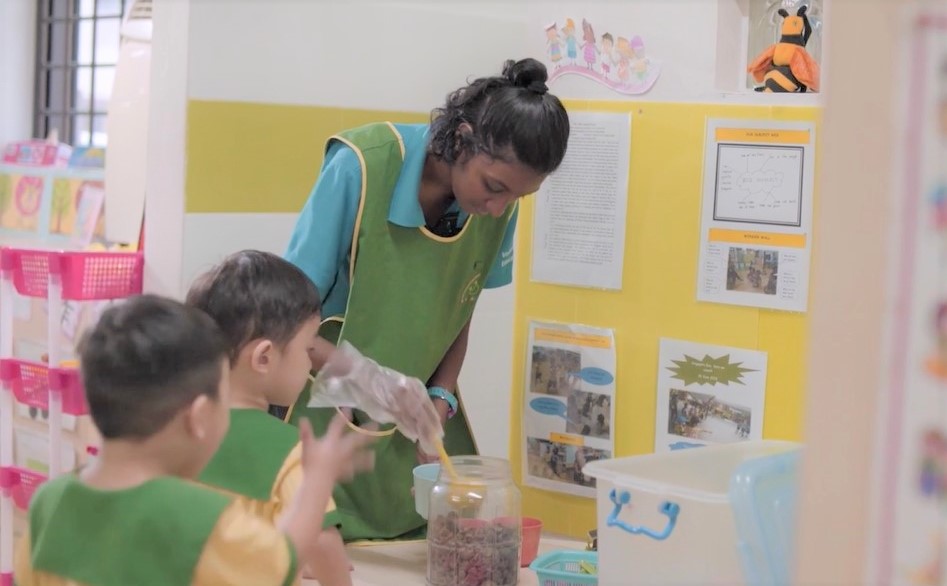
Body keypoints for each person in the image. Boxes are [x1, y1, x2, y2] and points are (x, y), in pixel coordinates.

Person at [281, 57, 570, 542]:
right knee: (321, 542)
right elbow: (283, 320)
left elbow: (461, 303)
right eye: (494, 187)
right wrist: (367, 382)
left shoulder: (496, 205)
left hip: (413, 432)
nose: (498, 208)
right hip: (324, 419)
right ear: (460, 138)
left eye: (517, 198)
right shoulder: (361, 166)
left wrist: (441, 393)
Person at [14, 295, 376, 585]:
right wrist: (316, 482)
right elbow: (280, 559)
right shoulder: (196, 518)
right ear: (199, 417)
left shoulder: (51, 500)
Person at [186, 250, 352, 585]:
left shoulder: (176, 431)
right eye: (307, 349)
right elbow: (322, 541)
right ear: (264, 358)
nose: (310, 366)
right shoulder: (289, 449)